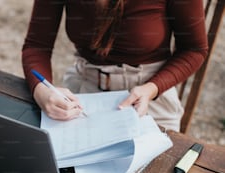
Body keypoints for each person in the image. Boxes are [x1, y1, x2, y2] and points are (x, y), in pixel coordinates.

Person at [22, 0, 208, 131]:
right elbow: (37, 45)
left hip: (150, 95)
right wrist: (42, 90)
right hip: (84, 92)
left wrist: (151, 89)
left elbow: (194, 50)